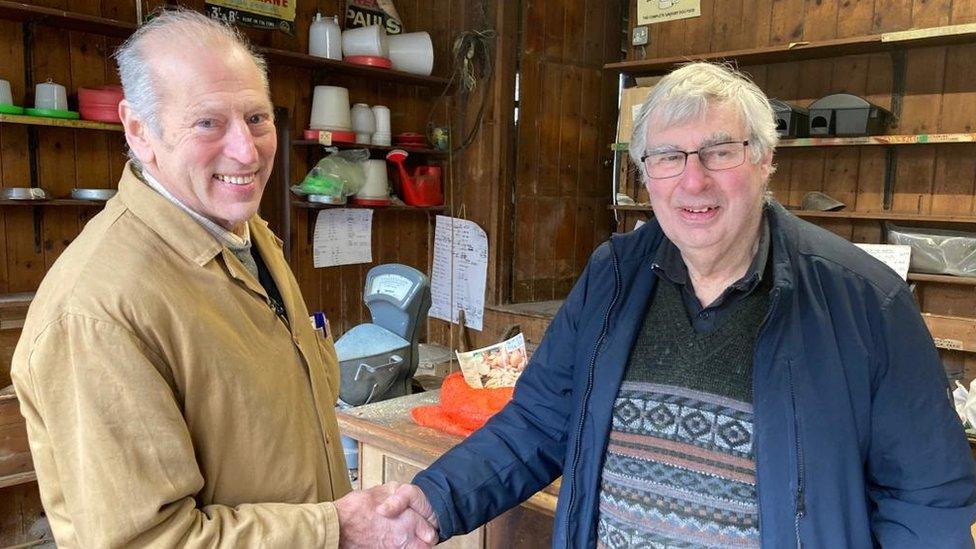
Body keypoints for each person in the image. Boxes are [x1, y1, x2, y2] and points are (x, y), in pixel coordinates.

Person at [378, 62, 976, 547]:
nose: (694, 181)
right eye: (668, 157)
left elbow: (928, 497)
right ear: (645, 176)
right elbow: (536, 424)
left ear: (766, 161)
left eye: (720, 151)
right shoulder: (613, 277)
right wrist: (435, 500)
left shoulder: (865, 302)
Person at [11, 9, 434, 549]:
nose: (246, 150)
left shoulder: (243, 233)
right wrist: (338, 528)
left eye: (257, 118)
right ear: (139, 131)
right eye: (208, 122)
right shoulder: (97, 313)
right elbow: (147, 542)